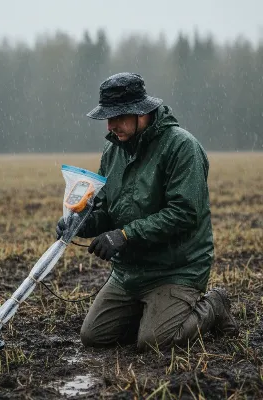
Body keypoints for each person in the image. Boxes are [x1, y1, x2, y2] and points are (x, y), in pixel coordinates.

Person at [56, 72, 239, 352]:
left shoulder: (181, 147)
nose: (111, 124)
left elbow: (184, 213)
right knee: (93, 337)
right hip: (129, 271)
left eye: (118, 116)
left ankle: (214, 305)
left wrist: (125, 236)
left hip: (177, 268)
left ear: (141, 112)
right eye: (108, 117)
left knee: (155, 343)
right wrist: (79, 223)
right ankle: (152, 312)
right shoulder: (113, 149)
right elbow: (105, 208)